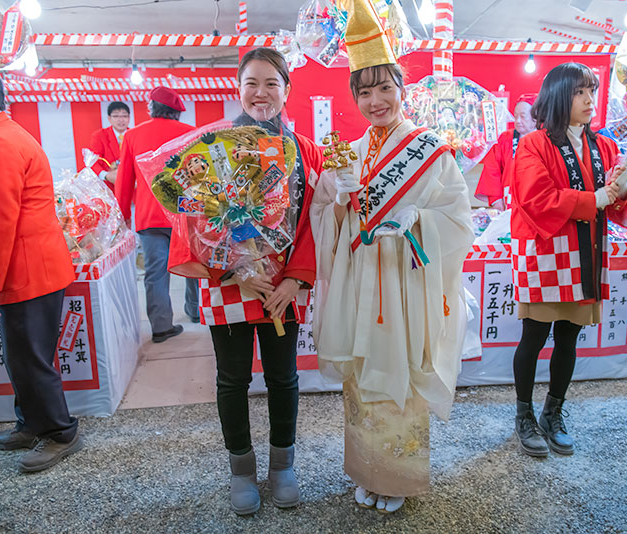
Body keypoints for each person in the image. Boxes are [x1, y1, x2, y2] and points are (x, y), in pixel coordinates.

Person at [310, 0, 473, 514]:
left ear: (403, 89)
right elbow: (325, 220)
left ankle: (399, 478)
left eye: (385, 87)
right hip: (363, 282)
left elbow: (457, 219)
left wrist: (417, 221)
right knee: (364, 373)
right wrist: (336, 202)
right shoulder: (349, 154)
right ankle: (366, 469)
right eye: (364, 90)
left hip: (406, 283)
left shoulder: (429, 149)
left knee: (401, 370)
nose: (375, 100)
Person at [167, 48, 323, 515]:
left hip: (283, 289)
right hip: (231, 283)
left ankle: (282, 465)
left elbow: (315, 220)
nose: (261, 93)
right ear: (238, 88)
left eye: (271, 83)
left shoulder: (305, 150)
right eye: (252, 82)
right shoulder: (211, 149)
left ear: (287, 90)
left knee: (283, 377)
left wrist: (295, 279)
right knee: (232, 379)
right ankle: (241, 468)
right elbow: (192, 223)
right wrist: (234, 270)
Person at [510, 62, 627, 458]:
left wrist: (622, 190)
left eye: (592, 91)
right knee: (534, 336)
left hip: (585, 252)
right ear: (559, 97)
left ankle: (553, 412)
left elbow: (617, 204)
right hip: (545, 254)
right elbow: (536, 200)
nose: (590, 99)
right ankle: (523, 414)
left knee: (569, 335)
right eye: (580, 92)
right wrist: (600, 198)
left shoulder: (604, 146)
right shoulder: (534, 144)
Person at [0, 62, 82, 472]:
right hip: (29, 266)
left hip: (27, 270)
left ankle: (61, 432)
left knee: (30, 357)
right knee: (21, 354)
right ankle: (31, 423)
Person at [115, 86, 200, 341]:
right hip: (185, 214)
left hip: (149, 215)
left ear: (151, 108)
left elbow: (124, 181)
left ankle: (161, 327)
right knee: (193, 264)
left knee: (155, 271)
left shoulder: (132, 135)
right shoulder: (191, 134)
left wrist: (122, 217)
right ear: (177, 111)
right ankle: (195, 311)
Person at [475, 93, 537, 210]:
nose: (517, 121)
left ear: (536, 117)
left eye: (523, 116)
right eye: (515, 116)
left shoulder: (546, 139)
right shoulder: (506, 138)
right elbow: (492, 169)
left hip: (537, 201)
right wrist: (496, 200)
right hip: (507, 200)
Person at [89, 101, 129, 193]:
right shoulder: (99, 136)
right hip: (108, 188)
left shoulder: (135, 135)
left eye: (124, 116)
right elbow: (92, 162)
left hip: (133, 188)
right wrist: (107, 175)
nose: (121, 120)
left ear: (129, 118)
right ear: (109, 118)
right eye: (116, 116)